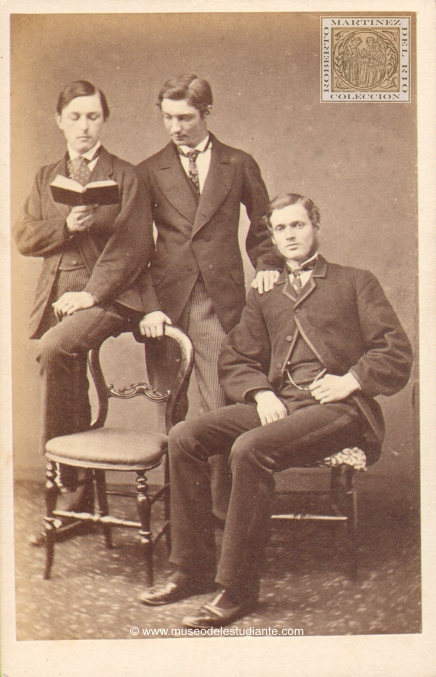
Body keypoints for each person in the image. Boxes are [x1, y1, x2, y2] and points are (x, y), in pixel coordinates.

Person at [139, 192, 413, 628]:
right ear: (272, 235)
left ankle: (238, 589)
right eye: (280, 228)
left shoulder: (355, 281)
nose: (289, 235)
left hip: (341, 409)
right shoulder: (266, 293)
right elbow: (236, 359)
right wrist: (261, 394)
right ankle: (192, 570)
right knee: (185, 437)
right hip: (284, 404)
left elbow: (396, 351)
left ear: (315, 227)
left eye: (298, 225)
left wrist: (351, 380)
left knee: (250, 449)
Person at [136, 74, 281, 519]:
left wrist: (269, 264)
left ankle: (224, 512)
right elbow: (134, 248)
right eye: (168, 118)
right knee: (171, 409)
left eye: (186, 118)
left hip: (221, 301)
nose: (176, 127)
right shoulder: (148, 171)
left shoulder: (238, 163)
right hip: (166, 304)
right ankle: (184, 515)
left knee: (221, 407)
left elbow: (263, 226)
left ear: (207, 114)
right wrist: (150, 307)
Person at [14, 81, 153, 535]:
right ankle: (81, 495)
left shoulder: (126, 175)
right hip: (58, 293)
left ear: (104, 121)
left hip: (112, 296)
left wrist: (91, 295)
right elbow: (24, 238)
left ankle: (69, 482)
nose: (84, 126)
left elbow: (133, 248)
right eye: (75, 117)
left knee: (56, 350)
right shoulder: (45, 175)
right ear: (59, 121)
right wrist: (65, 224)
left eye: (93, 116)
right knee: (66, 370)